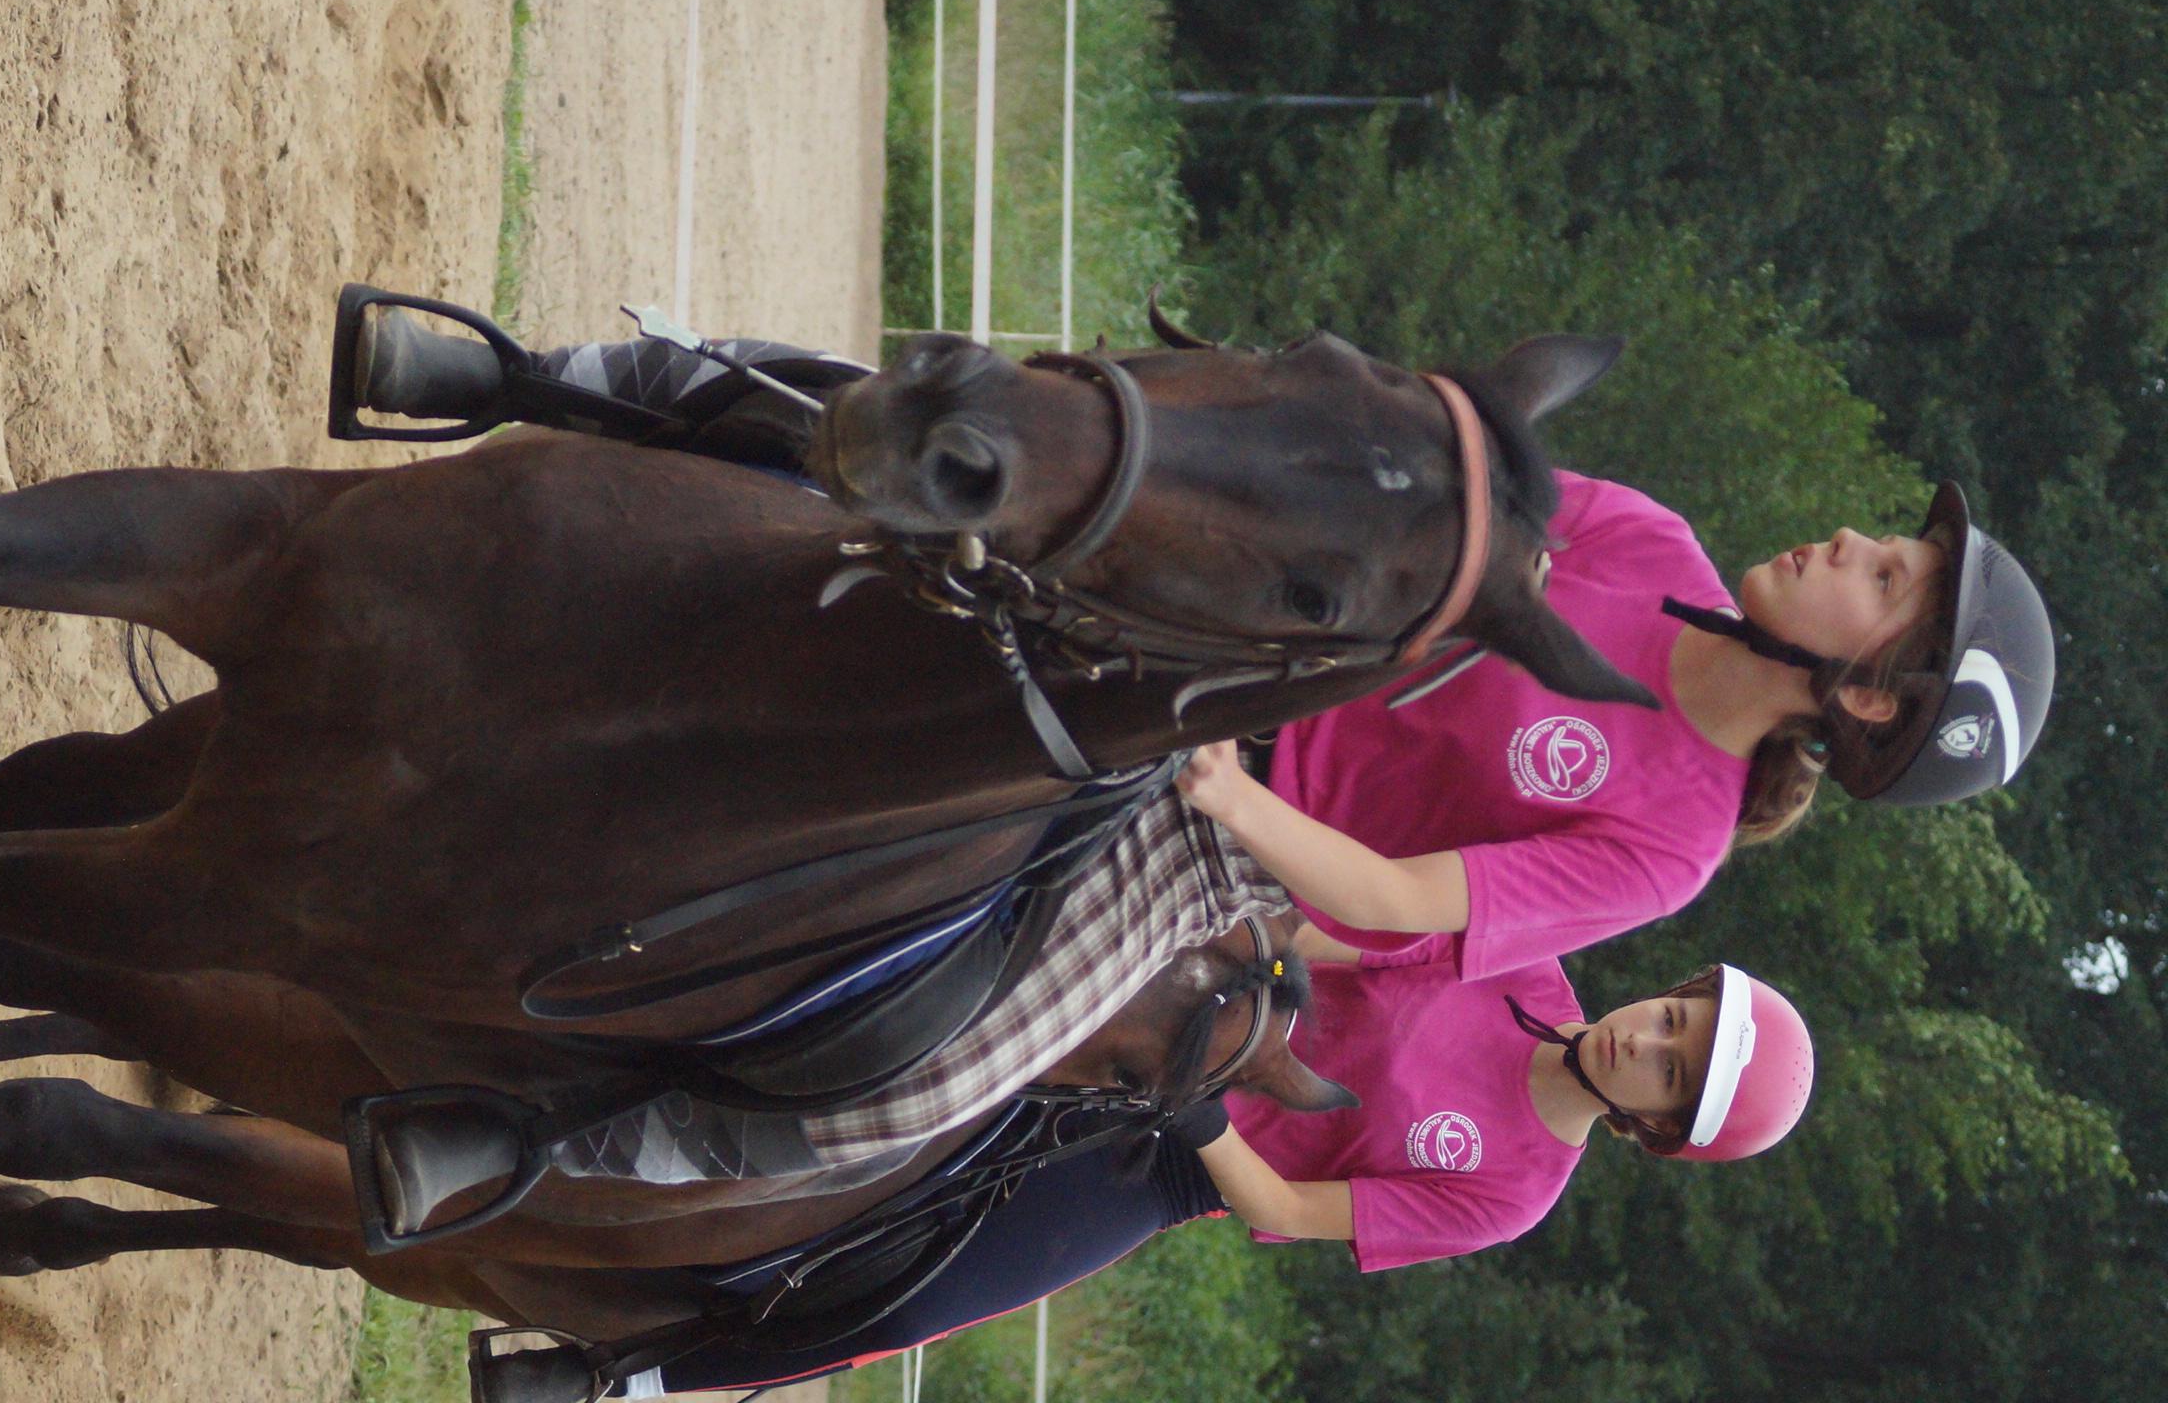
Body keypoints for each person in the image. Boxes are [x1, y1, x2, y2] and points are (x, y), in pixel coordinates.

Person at [343, 297, 2059, 980]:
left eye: (1884, 580)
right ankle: (557, 379)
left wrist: (1234, 798)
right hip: (1216, 634)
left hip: (1220, 831)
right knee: (985, 435)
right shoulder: (1647, 538)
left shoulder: (1670, 846)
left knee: (932, 1055)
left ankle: (569, 1132)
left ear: (1865, 700)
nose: (1850, 542)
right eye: (1886, 541)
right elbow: (1429, 522)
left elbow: (1405, 901)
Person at [574, 950, 1815, 1398]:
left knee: (916, 1304)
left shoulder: (1515, 1193)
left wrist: (1192, 1106)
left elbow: (1281, 1204)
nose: (1644, 1041)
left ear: (1656, 1129)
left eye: (1669, 1072)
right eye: (1672, 1019)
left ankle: (631, 1372)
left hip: (1170, 1160)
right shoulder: (1524, 964)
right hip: (1192, 1015)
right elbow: (1335, 937)